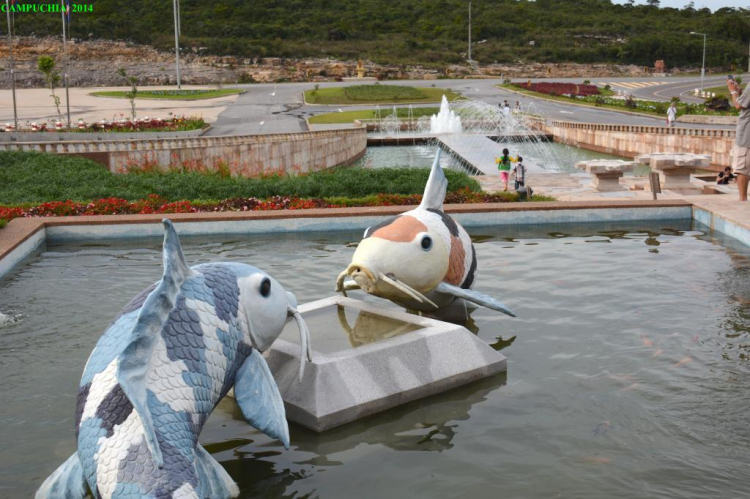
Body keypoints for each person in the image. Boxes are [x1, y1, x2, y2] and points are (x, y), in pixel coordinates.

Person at [727, 77, 750, 201]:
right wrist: (741, 92)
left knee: (742, 169)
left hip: (747, 134)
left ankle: (743, 200)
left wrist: (733, 91)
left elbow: (738, 105)